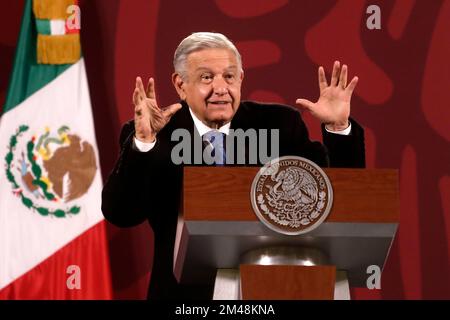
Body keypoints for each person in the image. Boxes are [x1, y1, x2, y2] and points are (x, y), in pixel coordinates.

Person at [101, 32, 365, 300]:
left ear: (240, 79)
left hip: (278, 291)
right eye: (206, 77)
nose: (220, 88)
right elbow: (121, 213)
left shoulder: (280, 125)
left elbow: (341, 201)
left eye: (229, 76)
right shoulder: (157, 134)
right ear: (181, 85)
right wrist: (144, 143)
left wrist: (338, 129)